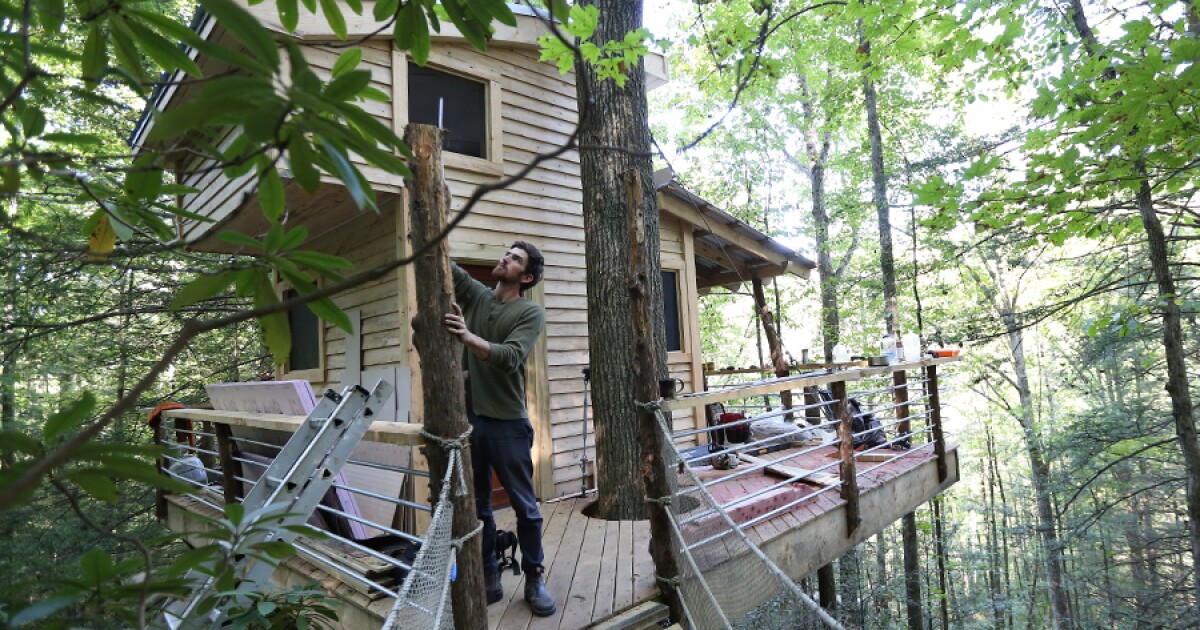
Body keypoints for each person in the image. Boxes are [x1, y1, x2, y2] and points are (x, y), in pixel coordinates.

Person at [442, 241, 555, 617]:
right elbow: (449, 267)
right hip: (470, 419)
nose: (504, 259)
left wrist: (467, 337)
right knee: (477, 507)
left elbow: (509, 358)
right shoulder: (477, 296)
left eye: (515, 259)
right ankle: (489, 576)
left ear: (525, 277)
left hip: (508, 422)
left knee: (526, 508)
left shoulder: (529, 312)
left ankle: (535, 577)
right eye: (506, 253)